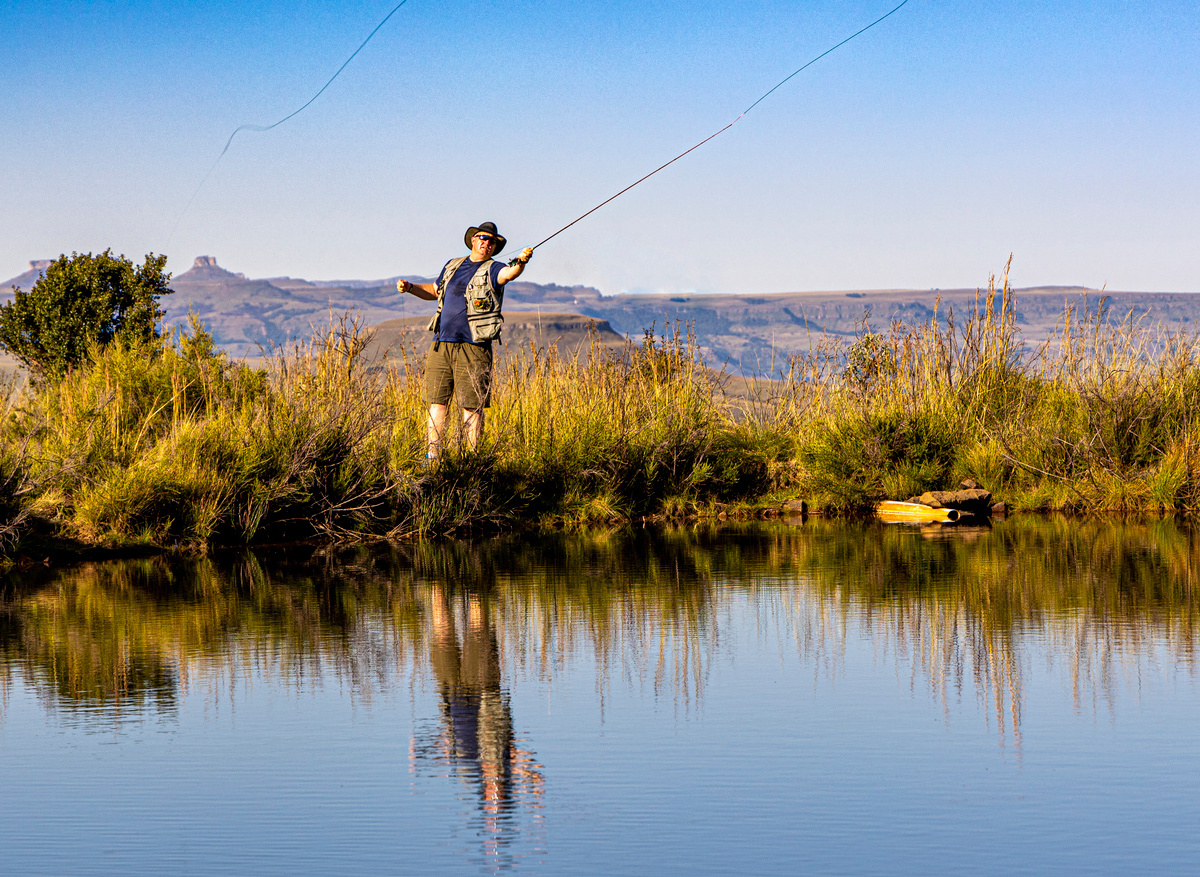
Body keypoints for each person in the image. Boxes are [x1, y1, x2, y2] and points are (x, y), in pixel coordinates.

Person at [397, 222, 532, 459]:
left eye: (491, 241)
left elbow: (508, 274)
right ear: (473, 240)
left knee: (471, 406)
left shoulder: (494, 269)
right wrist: (410, 288)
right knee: (437, 402)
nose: (486, 243)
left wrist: (521, 262)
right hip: (442, 343)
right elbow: (435, 291)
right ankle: (433, 457)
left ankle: (470, 460)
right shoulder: (453, 265)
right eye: (482, 238)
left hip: (474, 347)